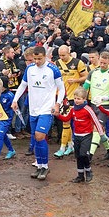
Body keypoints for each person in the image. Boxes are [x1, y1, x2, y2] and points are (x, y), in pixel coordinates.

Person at [11, 46, 65, 180]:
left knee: (40, 136)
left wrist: (58, 103)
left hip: (47, 109)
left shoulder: (53, 69)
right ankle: (39, 165)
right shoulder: (30, 69)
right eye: (34, 59)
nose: (36, 61)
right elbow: (23, 85)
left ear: (45, 56)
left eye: (39, 59)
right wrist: (15, 100)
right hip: (33, 109)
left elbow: (61, 88)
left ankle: (45, 166)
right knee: (36, 138)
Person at [56, 87, 105, 183]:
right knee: (78, 156)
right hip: (77, 135)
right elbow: (66, 119)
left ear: (84, 99)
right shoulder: (73, 109)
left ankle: (88, 170)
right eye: (75, 98)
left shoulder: (88, 109)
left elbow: (96, 121)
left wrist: (101, 134)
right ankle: (80, 176)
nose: (76, 101)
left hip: (86, 135)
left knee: (83, 154)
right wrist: (57, 115)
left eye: (79, 99)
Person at [54, 45, 88, 157]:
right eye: (60, 55)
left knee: (66, 123)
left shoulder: (78, 63)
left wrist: (76, 80)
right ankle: (70, 145)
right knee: (66, 123)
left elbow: (86, 76)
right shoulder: (57, 63)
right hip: (61, 97)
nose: (61, 57)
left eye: (63, 55)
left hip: (73, 97)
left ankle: (63, 148)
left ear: (69, 53)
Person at [83, 51, 109, 159]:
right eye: (101, 63)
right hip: (93, 104)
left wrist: (104, 98)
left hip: (104, 106)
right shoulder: (93, 73)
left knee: (97, 129)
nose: (102, 65)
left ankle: (90, 155)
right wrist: (82, 98)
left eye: (104, 64)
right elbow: (85, 87)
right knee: (99, 130)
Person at [0, 76, 16, 165]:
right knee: (3, 135)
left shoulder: (10, 96)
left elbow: (13, 109)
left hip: (6, 119)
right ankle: (11, 150)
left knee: (0, 136)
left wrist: (9, 119)